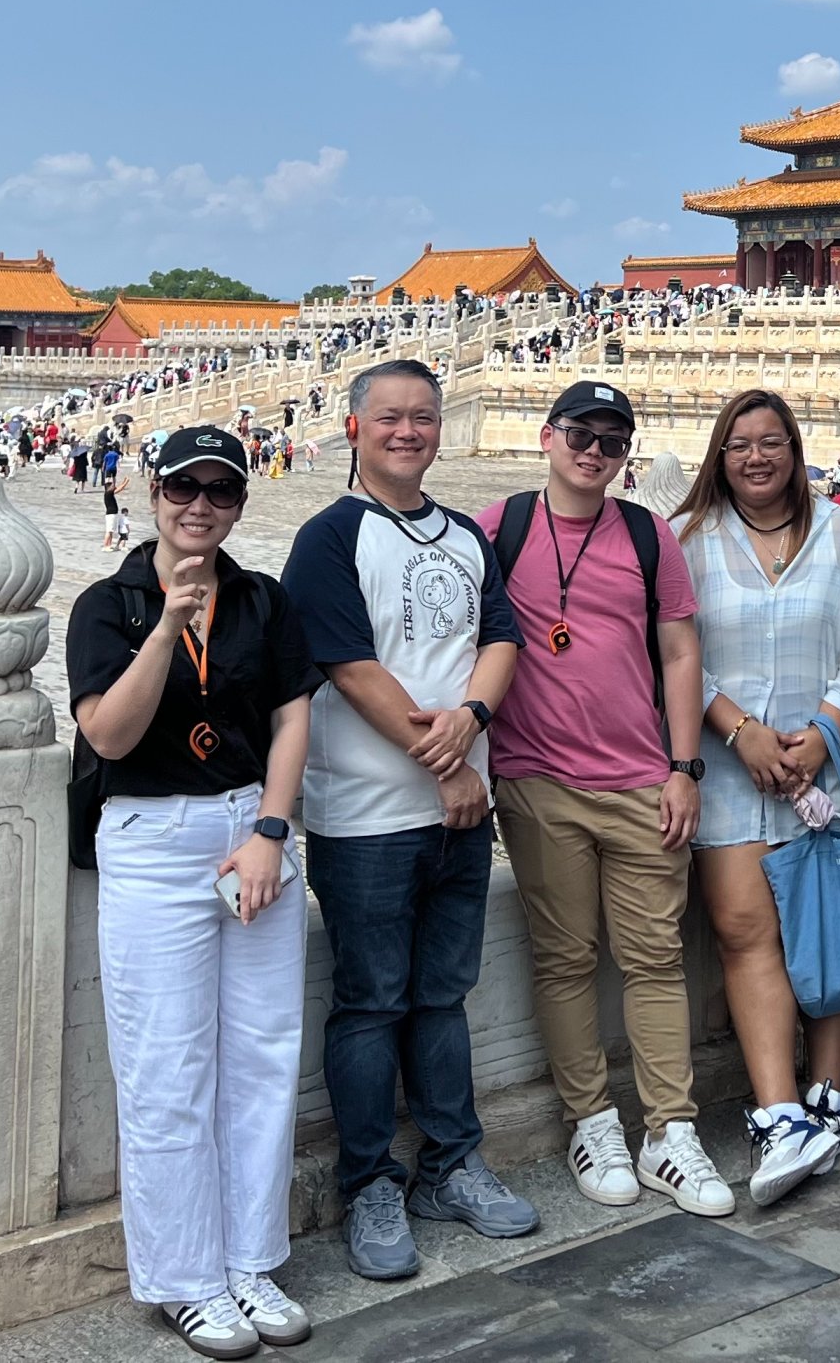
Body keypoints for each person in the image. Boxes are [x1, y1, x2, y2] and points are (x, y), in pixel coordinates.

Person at [280, 360, 538, 1283]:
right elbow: (351, 668)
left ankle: (451, 1164)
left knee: (442, 994)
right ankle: (369, 1184)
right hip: (367, 816)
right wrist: (450, 764)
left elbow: (500, 637)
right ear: (355, 428)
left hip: (461, 808)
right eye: (388, 417)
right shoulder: (329, 538)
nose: (407, 432)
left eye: (422, 417)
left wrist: (473, 719)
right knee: (370, 1001)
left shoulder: (465, 534)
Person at [68, 424, 318, 1359]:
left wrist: (270, 833)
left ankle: (250, 1260)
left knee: (261, 1056)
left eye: (220, 491)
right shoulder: (109, 606)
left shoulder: (262, 600)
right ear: (154, 493)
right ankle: (185, 1278)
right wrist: (169, 628)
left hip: (252, 831)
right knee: (166, 1066)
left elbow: (292, 717)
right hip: (154, 841)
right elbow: (109, 735)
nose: (200, 506)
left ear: (240, 504)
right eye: (184, 488)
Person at [478, 382, 733, 1220]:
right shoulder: (500, 527)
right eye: (580, 436)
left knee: (655, 958)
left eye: (612, 441)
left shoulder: (647, 535)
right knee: (566, 959)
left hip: (640, 780)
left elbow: (680, 652)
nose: (595, 452)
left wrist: (684, 767)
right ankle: (590, 1120)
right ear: (547, 438)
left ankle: (670, 1130)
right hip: (538, 778)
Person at [673, 388, 840, 1204]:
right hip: (730, 769)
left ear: (796, 452)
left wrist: (825, 727)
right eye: (739, 445)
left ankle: (828, 1089)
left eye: (771, 442)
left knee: (828, 925)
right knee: (744, 929)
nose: (756, 457)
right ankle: (778, 1111)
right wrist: (740, 731)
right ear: (719, 457)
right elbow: (677, 652)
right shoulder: (688, 540)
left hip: (823, 762)